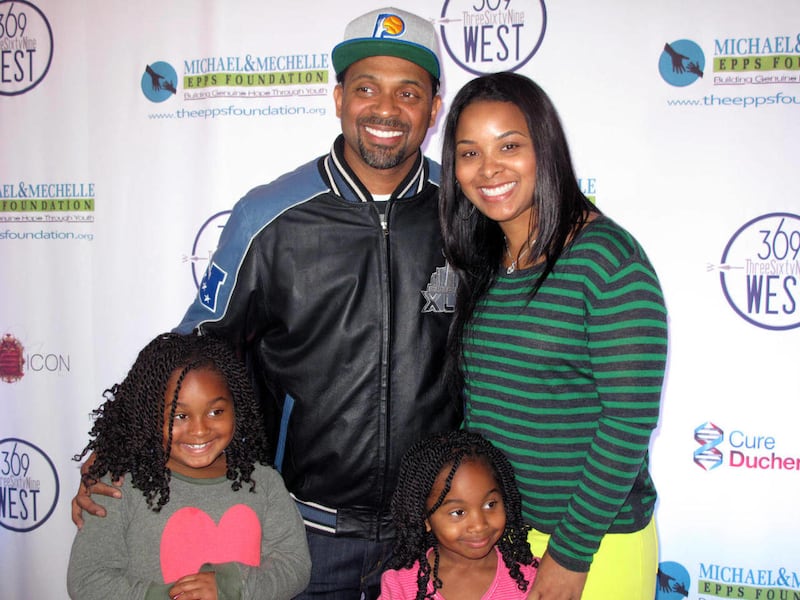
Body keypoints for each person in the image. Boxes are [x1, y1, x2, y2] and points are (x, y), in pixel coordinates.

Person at [72, 8, 461, 599]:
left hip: (433, 534)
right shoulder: (269, 216)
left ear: (434, 109)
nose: (386, 109)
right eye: (366, 88)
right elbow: (194, 351)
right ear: (337, 98)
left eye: (408, 92)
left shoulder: (467, 215)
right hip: (296, 537)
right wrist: (116, 452)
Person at [439, 72, 669, 600]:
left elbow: (628, 421)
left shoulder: (608, 260)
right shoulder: (485, 263)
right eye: (469, 152)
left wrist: (570, 554)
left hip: (594, 546)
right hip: (504, 539)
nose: (489, 168)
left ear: (544, 147)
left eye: (510, 146)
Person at [67, 332, 311, 600]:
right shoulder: (118, 486)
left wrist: (229, 586)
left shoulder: (263, 482)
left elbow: (295, 565)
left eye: (216, 412)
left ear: (237, 407)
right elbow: (87, 580)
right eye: (180, 415)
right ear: (150, 414)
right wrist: (167, 596)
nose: (199, 430)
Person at [380, 430, 538, 600]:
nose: (479, 525)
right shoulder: (401, 586)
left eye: (490, 504)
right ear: (425, 518)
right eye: (458, 512)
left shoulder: (532, 579)